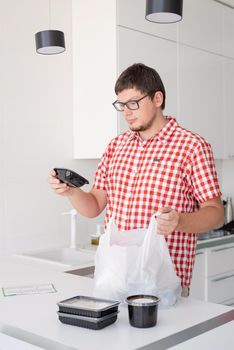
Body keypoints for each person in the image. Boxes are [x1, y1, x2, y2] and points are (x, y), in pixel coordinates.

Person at [49, 63, 224, 297]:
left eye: (133, 103)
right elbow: (94, 206)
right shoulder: (116, 147)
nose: (126, 112)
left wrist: (179, 221)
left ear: (157, 98)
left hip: (164, 285)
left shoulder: (192, 147)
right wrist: (72, 192)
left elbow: (215, 213)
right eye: (121, 105)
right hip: (114, 279)